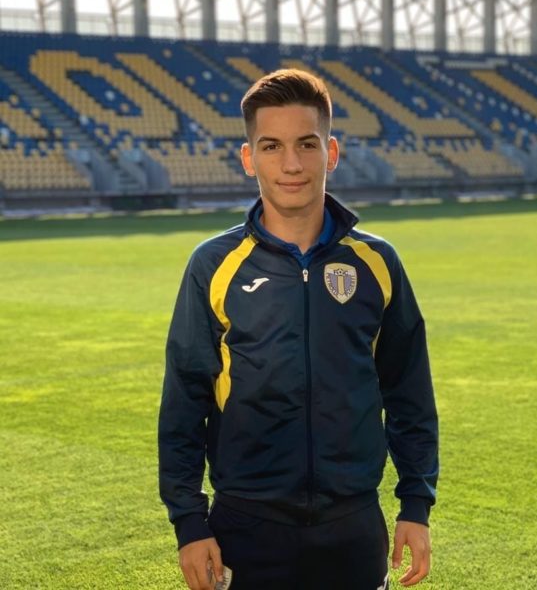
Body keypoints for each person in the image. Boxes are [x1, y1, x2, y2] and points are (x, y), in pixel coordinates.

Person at [159, 69, 439, 590]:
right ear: (249, 159)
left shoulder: (377, 263)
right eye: (272, 146)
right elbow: (184, 401)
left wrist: (416, 504)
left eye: (306, 144)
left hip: (353, 526)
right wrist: (189, 522)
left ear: (330, 153)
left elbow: (409, 393)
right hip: (245, 526)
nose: (291, 164)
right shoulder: (213, 265)